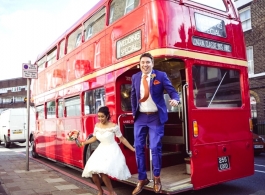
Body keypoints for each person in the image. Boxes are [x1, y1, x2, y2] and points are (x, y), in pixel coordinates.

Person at [131, 52, 180, 194]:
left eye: (148, 62)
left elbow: (173, 92)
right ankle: (142, 179)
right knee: (139, 147)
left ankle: (157, 178)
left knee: (155, 146)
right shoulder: (135, 77)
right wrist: (135, 113)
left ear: (152, 64)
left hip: (156, 118)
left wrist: (176, 100)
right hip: (140, 118)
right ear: (139, 64)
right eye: (142, 63)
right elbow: (133, 96)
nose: (145, 65)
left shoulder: (160, 76)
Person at [80, 106, 135, 195]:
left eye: (102, 116)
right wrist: (84, 142)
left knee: (102, 172)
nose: (100, 119)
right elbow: (94, 138)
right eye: (99, 116)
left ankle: (112, 192)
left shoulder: (114, 126)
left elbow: (122, 139)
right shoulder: (97, 126)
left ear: (107, 116)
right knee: (93, 172)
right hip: (101, 149)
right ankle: (100, 190)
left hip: (111, 150)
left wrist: (132, 149)